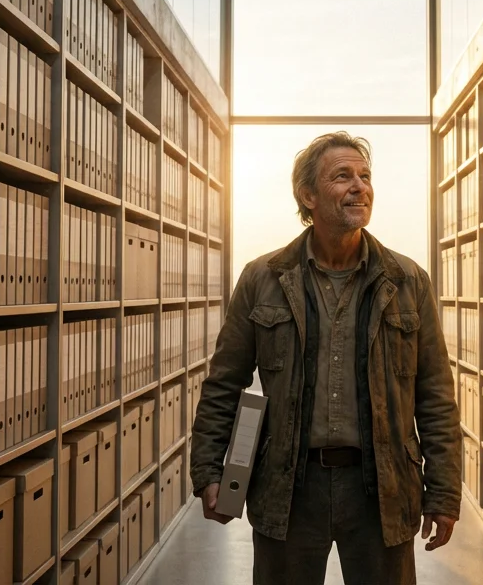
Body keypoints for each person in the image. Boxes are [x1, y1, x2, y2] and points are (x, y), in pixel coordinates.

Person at [189, 131, 461, 585]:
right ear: (308, 195)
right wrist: (208, 470)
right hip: (289, 486)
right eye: (342, 176)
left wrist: (444, 492)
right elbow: (223, 384)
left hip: (381, 488)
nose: (360, 186)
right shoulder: (263, 279)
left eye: (365, 176)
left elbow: (434, 396)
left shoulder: (408, 280)